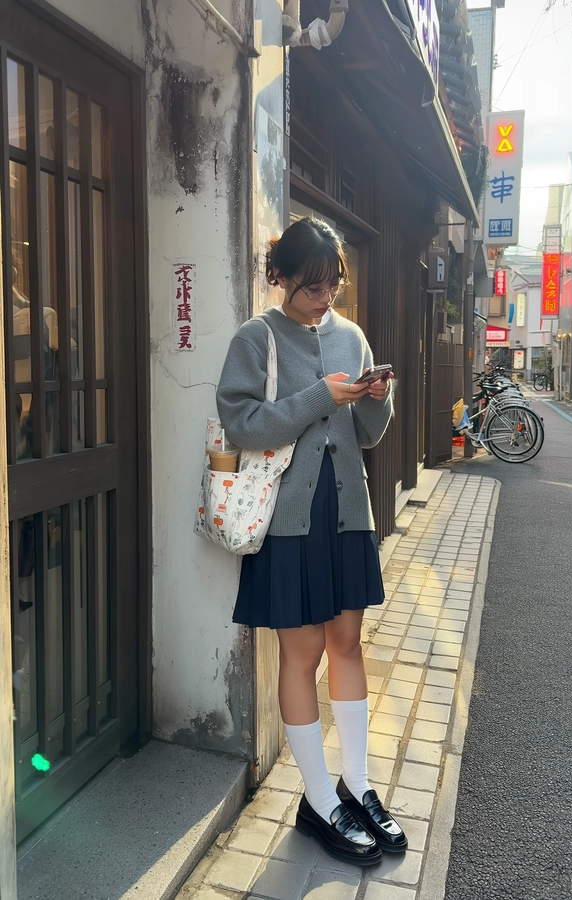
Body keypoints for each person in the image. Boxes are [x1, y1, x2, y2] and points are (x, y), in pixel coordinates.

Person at [216, 216, 407, 866]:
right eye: (309, 288)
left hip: (346, 512)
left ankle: (359, 785)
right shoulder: (256, 339)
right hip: (288, 520)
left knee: (347, 643)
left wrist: (377, 397)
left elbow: (369, 436)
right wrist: (316, 398)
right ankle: (320, 798)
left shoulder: (350, 335)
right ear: (279, 277)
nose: (323, 299)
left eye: (331, 286)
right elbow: (240, 423)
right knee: (300, 656)